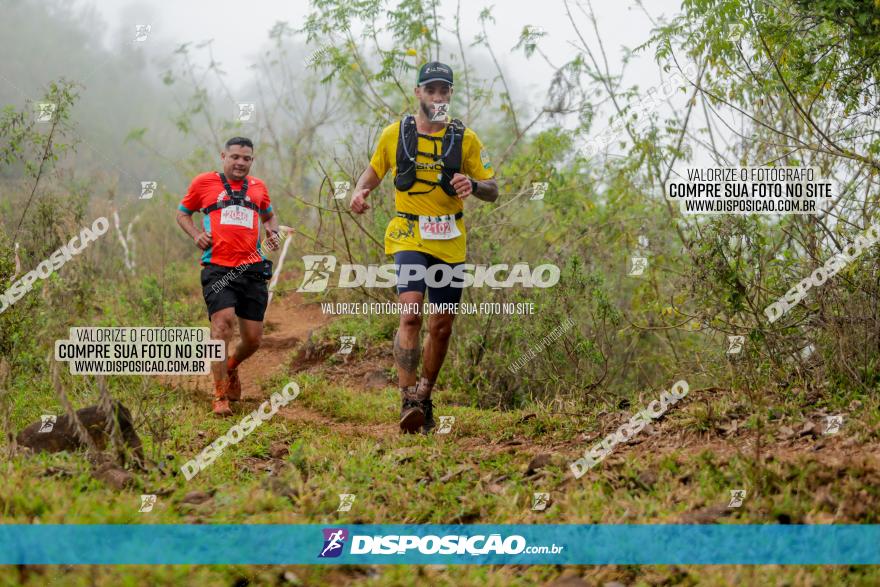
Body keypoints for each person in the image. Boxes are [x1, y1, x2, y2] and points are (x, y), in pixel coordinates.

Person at [350, 62, 498, 433]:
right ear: (418, 93)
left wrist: (473, 186)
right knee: (411, 313)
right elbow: (374, 170)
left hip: (449, 240)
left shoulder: (466, 139)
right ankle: (406, 399)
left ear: (450, 95)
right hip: (408, 234)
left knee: (442, 325)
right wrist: (360, 190)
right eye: (430, 90)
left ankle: (425, 395)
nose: (437, 97)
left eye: (444, 91)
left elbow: (493, 188)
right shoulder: (394, 134)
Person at [176, 137, 281, 416]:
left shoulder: (259, 188)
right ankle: (220, 394)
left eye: (246, 158)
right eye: (235, 157)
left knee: (254, 339)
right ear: (224, 156)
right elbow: (182, 213)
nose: (240, 163)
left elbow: (270, 216)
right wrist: (197, 234)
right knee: (221, 327)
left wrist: (273, 231)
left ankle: (231, 367)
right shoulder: (203, 183)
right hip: (218, 268)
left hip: (252, 268)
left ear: (252, 161)